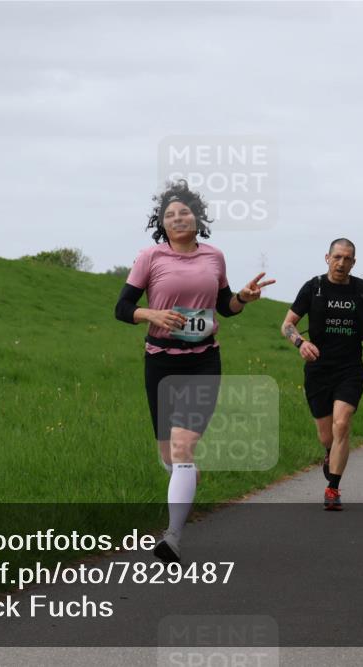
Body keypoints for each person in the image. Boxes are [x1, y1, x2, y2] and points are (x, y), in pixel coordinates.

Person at [114, 180, 274, 563]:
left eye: (184, 211)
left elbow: (226, 305)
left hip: (203, 360)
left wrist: (242, 300)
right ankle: (185, 483)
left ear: (197, 217)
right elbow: (121, 308)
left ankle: (172, 537)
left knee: (184, 448)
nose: (178, 217)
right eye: (170, 214)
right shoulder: (150, 257)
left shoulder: (214, 256)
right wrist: (149, 313)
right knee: (170, 458)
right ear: (162, 223)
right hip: (160, 360)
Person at [280, 238, 363, 511]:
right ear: (327, 258)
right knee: (326, 436)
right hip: (318, 370)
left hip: (350, 369)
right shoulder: (313, 288)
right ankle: (330, 453)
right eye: (337, 257)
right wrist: (301, 344)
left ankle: (332, 488)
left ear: (354, 262)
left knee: (342, 424)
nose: (342, 263)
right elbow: (288, 324)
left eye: (347, 258)